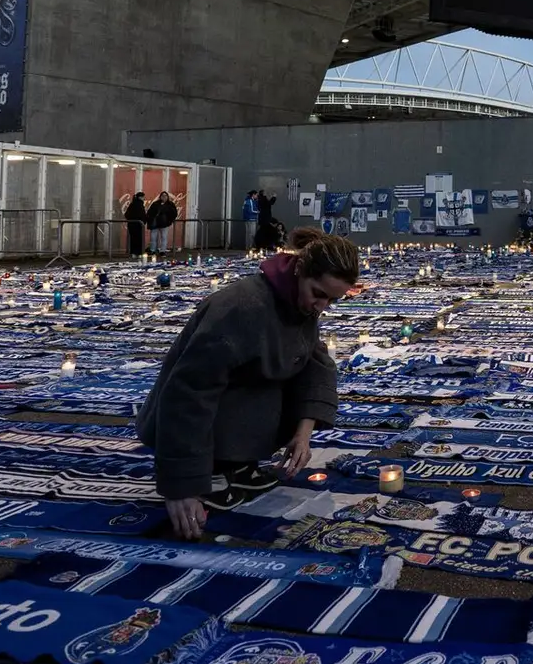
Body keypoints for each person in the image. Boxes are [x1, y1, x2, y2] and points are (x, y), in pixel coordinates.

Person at [138, 234, 360, 538]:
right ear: (299, 271)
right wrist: (181, 484)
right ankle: (214, 469)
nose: (321, 307)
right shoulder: (242, 308)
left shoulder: (299, 302)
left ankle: (237, 464)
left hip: (238, 409)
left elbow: (315, 364)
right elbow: (188, 392)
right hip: (192, 414)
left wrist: (303, 432)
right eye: (318, 294)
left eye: (331, 301)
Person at [147, 190, 179, 255]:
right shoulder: (155, 204)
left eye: (165, 196)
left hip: (164, 224)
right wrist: (151, 219)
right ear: (160, 197)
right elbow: (150, 213)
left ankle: (162, 251)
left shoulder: (170, 204)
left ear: (167, 197)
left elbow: (174, 213)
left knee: (164, 237)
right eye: (162, 196)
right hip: (155, 223)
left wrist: (169, 221)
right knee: (153, 237)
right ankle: (152, 250)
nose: (164, 197)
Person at [124, 191, 147, 257]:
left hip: (131, 224)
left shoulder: (132, 204)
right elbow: (142, 215)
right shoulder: (140, 204)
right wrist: (144, 221)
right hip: (138, 225)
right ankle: (139, 253)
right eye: (143, 197)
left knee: (133, 239)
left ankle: (133, 253)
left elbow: (127, 214)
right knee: (139, 239)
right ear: (140, 197)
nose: (144, 198)